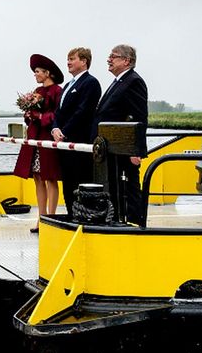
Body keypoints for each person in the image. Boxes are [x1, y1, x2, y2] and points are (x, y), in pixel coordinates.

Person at [94, 44, 148, 224]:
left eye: (113, 56)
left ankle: (135, 222)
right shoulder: (117, 82)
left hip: (126, 147)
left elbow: (139, 117)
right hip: (111, 146)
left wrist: (135, 150)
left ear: (126, 61)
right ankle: (116, 219)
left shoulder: (134, 81)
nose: (109, 59)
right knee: (115, 185)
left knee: (130, 186)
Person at [13, 53, 64, 231]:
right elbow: (30, 117)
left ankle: (51, 217)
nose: (35, 75)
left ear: (47, 73)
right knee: (37, 177)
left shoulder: (57, 91)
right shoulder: (37, 92)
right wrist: (28, 114)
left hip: (47, 138)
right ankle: (41, 218)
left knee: (50, 177)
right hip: (35, 138)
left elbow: (58, 115)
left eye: (37, 71)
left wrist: (39, 116)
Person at [50, 47, 101, 217]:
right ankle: (71, 213)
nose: (68, 63)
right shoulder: (67, 85)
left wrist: (64, 131)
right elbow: (59, 111)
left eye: (72, 59)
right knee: (68, 181)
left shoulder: (90, 83)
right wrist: (55, 128)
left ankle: (83, 215)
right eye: (68, 59)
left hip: (79, 142)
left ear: (84, 61)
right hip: (64, 143)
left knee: (80, 179)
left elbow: (83, 111)